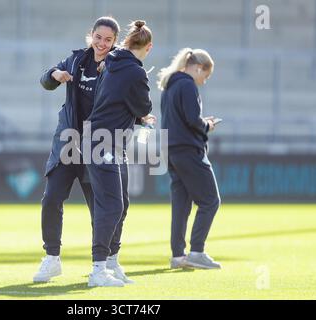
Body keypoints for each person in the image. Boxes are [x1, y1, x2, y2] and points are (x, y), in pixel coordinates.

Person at [33, 17, 121, 283]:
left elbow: (129, 97)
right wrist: (54, 75)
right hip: (68, 141)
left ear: (115, 42)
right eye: (98, 37)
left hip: (97, 145)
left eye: (108, 40)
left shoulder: (118, 66)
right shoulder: (75, 61)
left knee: (100, 208)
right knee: (51, 199)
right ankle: (51, 259)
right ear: (90, 36)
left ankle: (106, 263)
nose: (102, 44)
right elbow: (45, 81)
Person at [84, 20, 155, 287]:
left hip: (107, 140)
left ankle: (111, 263)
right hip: (104, 141)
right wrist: (143, 114)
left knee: (120, 203)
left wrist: (138, 119)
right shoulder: (136, 72)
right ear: (148, 47)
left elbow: (113, 102)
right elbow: (143, 104)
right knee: (112, 205)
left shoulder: (112, 62)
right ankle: (98, 269)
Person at [158, 48, 222, 269]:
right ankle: (197, 251)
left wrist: (200, 122)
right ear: (198, 67)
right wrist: (208, 125)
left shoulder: (170, 85)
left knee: (181, 204)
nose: (205, 81)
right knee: (210, 201)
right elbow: (192, 120)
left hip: (171, 150)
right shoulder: (187, 84)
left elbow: (179, 119)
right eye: (206, 74)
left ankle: (178, 256)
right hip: (188, 150)